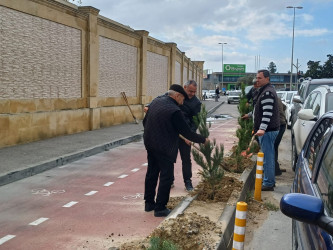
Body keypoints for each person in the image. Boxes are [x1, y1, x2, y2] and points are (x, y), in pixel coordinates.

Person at [143, 84, 208, 217]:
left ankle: (149, 204)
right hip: (164, 147)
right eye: (182, 99)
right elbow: (187, 132)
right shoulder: (174, 110)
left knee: (152, 173)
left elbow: (145, 122)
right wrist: (203, 140)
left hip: (150, 143)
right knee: (166, 176)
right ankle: (160, 208)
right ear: (177, 96)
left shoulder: (156, 102)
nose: (183, 102)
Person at [253, 70, 280, 191]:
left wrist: (262, 129)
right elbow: (261, 110)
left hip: (268, 131)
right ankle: (269, 180)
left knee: (267, 158)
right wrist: (251, 115)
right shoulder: (266, 90)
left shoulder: (267, 92)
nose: (257, 80)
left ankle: (268, 183)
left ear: (267, 79)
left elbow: (267, 113)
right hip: (268, 130)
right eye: (256, 78)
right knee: (269, 156)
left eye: (260, 78)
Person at [179, 80, 201, 191]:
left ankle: (188, 182)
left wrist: (190, 136)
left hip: (185, 134)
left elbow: (195, 121)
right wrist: (149, 106)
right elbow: (162, 99)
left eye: (194, 92)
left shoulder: (196, 103)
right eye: (190, 91)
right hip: (172, 132)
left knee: (186, 159)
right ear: (184, 87)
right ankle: (169, 180)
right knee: (168, 158)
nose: (192, 94)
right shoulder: (177, 94)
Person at [275, 98, 287, 175]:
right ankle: (276, 168)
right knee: (274, 147)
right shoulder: (276, 97)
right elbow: (284, 107)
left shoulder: (270, 97)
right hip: (281, 124)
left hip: (278, 125)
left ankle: (275, 170)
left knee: (272, 148)